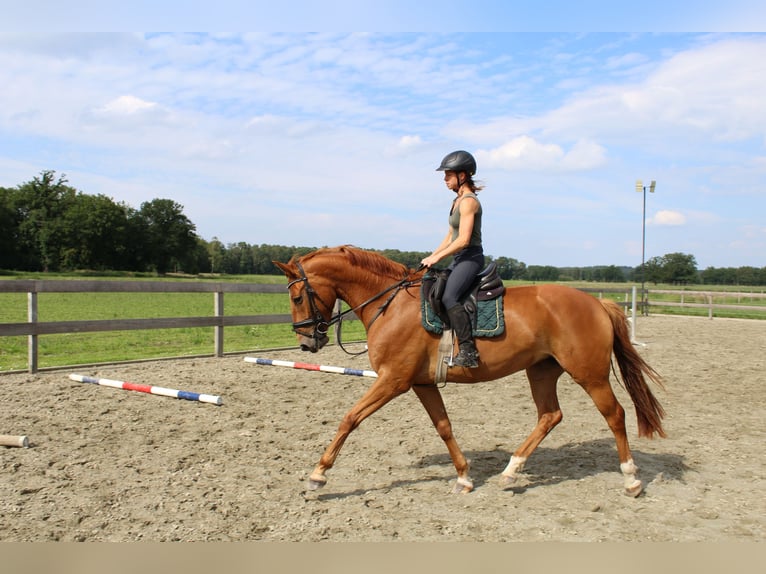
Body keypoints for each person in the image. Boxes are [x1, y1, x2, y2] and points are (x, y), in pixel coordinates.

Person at [421, 150, 484, 368]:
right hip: (458, 258)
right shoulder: (456, 201)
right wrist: (432, 257)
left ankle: (468, 351)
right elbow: (450, 236)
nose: (445, 179)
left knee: (449, 297)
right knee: (432, 286)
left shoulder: (469, 202)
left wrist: (438, 256)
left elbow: (464, 239)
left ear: (463, 176)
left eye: (448, 175)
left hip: (470, 257)